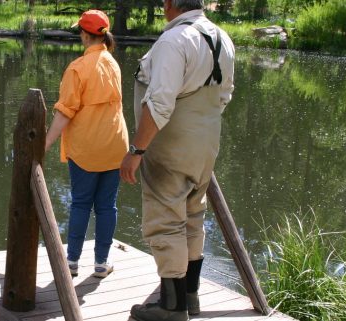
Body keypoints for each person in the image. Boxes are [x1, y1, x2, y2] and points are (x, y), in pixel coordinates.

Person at [120, 0, 235, 320]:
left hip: (170, 145)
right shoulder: (223, 38)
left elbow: (159, 103)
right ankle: (190, 296)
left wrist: (136, 150)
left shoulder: (174, 40)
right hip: (206, 144)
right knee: (193, 214)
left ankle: (171, 307)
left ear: (170, 4)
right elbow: (225, 94)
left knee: (165, 219)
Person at [45, 10, 128, 279]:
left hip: (87, 147)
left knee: (81, 204)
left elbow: (64, 112)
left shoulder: (77, 68)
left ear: (84, 34)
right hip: (116, 145)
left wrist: (44, 144)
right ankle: (102, 264)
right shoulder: (112, 63)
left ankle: (71, 263)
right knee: (107, 206)